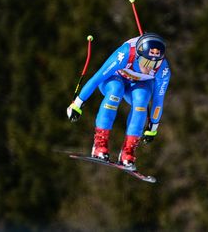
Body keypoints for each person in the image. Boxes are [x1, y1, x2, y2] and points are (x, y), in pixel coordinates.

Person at [67, 33, 171, 171]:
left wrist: (153, 126)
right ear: (139, 56)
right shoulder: (126, 53)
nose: (149, 67)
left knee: (142, 100)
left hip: (138, 86)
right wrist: (78, 103)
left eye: (154, 63)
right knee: (116, 90)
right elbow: (97, 77)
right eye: (146, 62)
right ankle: (100, 145)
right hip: (114, 80)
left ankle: (128, 151)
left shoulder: (163, 69)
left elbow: (158, 100)